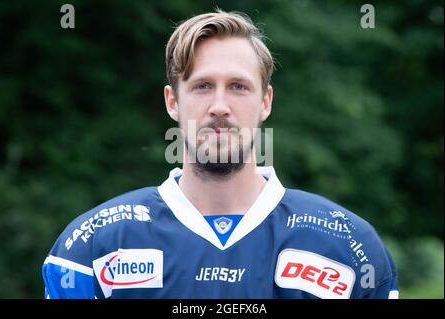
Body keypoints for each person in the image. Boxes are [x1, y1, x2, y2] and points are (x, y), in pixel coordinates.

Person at [42, 9, 398, 299]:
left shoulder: (349, 246)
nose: (219, 106)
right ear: (172, 102)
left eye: (238, 87)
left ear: (265, 102)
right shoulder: (95, 246)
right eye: (202, 86)